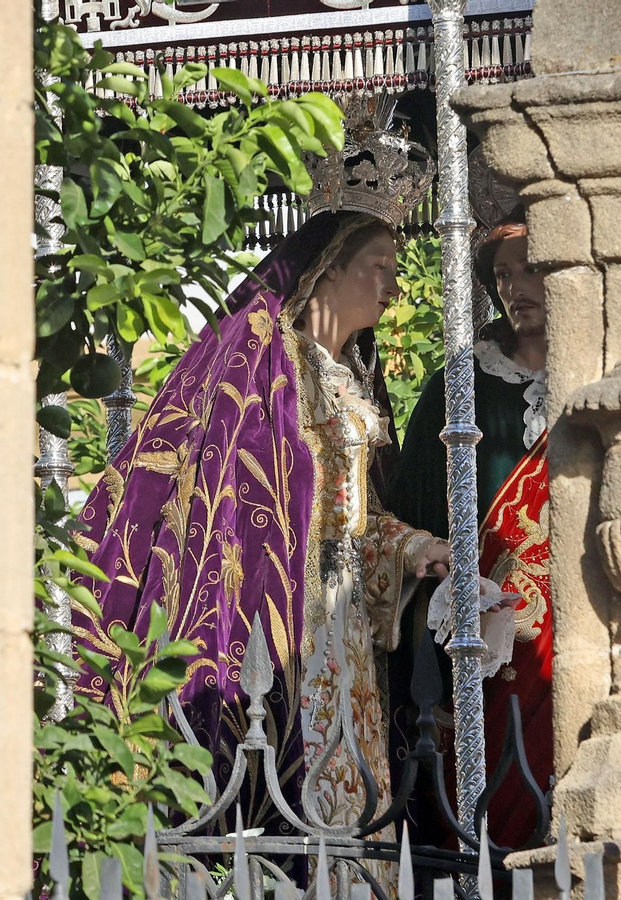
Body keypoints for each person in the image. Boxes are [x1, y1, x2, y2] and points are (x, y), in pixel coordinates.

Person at [69, 208, 452, 838]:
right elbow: (230, 496)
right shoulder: (268, 366)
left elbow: (356, 513)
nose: (393, 285)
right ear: (328, 270)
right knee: (285, 763)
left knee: (351, 776)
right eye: (378, 266)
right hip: (281, 604)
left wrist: (413, 548)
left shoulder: (354, 377)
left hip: (345, 617)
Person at [387, 218, 553, 849]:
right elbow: (418, 513)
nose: (514, 287)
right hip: (485, 638)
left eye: (529, 268)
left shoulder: (597, 374)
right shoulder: (459, 387)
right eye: (502, 275)